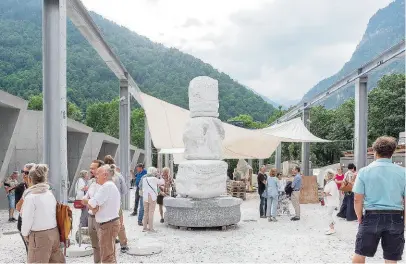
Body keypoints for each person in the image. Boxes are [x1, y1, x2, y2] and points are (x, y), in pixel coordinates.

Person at [352, 136, 405, 263]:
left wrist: (359, 216)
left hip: (371, 216)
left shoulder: (364, 171)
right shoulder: (403, 172)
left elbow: (357, 199)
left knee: (359, 255)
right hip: (395, 217)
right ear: (392, 153)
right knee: (391, 259)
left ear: (374, 152)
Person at [21, 164, 65, 263]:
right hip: (54, 233)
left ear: (30, 179)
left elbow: (27, 219)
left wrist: (25, 234)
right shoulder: (49, 193)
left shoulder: (30, 197)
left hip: (39, 235)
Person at [84, 164, 121, 264]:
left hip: (107, 225)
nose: (96, 176)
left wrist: (85, 201)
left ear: (105, 175)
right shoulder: (111, 185)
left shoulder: (106, 187)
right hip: (112, 223)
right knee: (111, 254)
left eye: (98, 174)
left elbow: (92, 203)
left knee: (107, 257)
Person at [83, 159, 103, 263]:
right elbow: (85, 199)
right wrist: (90, 204)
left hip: (101, 218)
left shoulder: (106, 184)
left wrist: (89, 203)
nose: (91, 170)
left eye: (93, 168)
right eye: (90, 168)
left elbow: (98, 204)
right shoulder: (91, 182)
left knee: (105, 245)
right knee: (95, 245)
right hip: (91, 217)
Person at [15, 163, 34, 254]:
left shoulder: (43, 187)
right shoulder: (19, 188)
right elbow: (18, 207)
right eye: (23, 172)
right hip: (24, 223)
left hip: (38, 224)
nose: (24, 174)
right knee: (30, 249)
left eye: (27, 172)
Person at [141, 167, 160, 232]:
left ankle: (144, 228)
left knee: (145, 212)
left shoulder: (144, 178)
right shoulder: (154, 179)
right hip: (152, 197)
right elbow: (161, 183)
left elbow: (140, 186)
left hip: (145, 196)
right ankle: (151, 228)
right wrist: (158, 175)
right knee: (151, 212)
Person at [323, 169, 339, 235]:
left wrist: (325, 194)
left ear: (329, 176)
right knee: (328, 214)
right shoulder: (329, 182)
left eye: (326, 175)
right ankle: (331, 227)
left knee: (328, 215)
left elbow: (332, 193)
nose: (324, 176)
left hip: (332, 202)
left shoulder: (332, 183)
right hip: (329, 201)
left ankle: (332, 229)